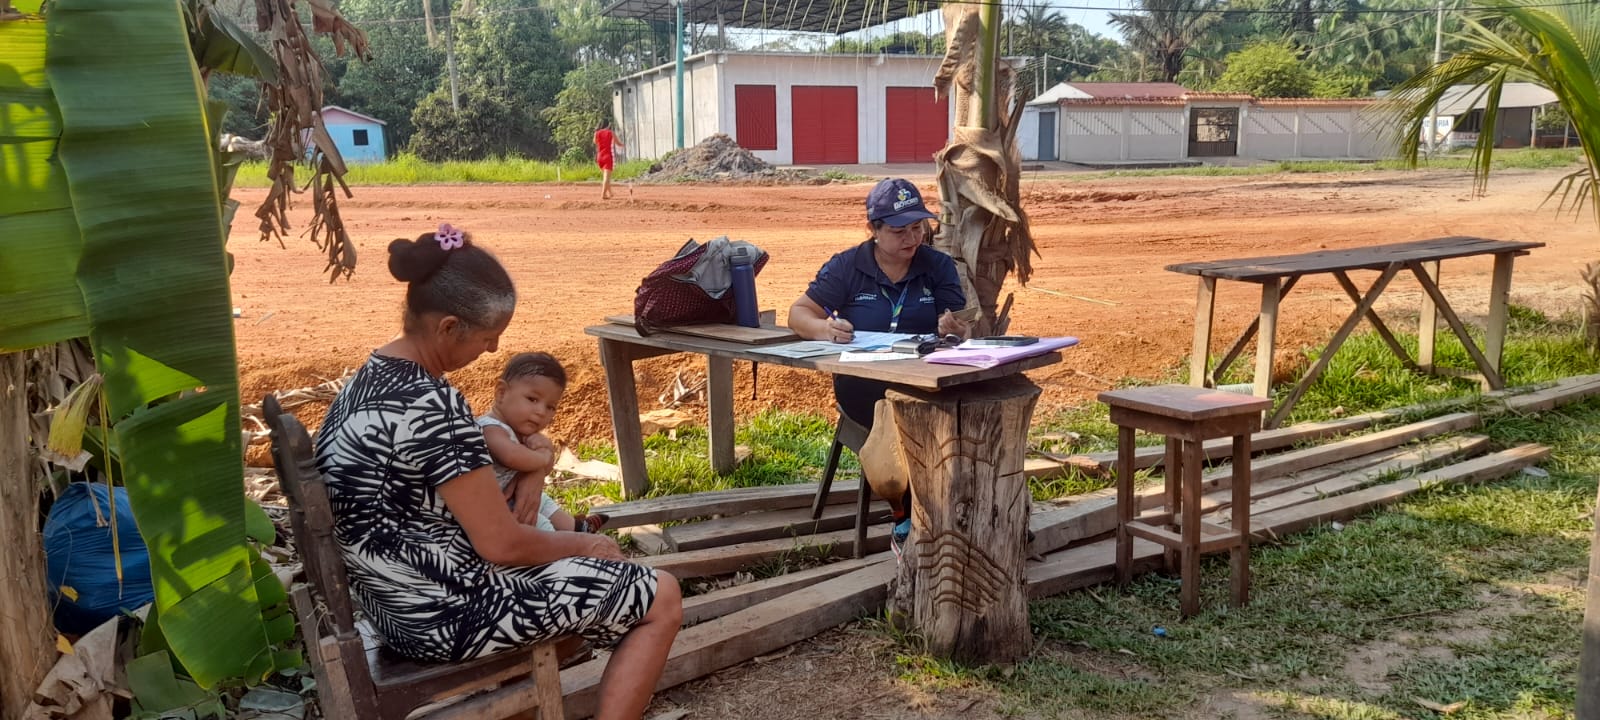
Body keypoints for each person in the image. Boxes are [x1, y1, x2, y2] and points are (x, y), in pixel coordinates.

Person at [314, 223, 679, 720]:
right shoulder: (433, 404)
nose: (489, 351)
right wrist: (587, 543)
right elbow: (501, 544)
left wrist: (535, 472)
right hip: (446, 615)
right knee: (661, 595)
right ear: (447, 328)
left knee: (586, 564)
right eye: (488, 337)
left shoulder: (368, 380)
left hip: (393, 607)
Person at [788, 178, 973, 553]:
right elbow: (798, 313)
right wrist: (824, 329)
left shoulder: (936, 266)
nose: (912, 238)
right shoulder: (847, 266)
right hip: (863, 382)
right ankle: (905, 515)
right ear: (873, 229)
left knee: (957, 413)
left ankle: (960, 511)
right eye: (899, 230)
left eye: (918, 227)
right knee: (896, 418)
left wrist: (955, 327)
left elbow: (963, 326)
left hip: (925, 376)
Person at [477, 351, 608, 533]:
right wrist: (543, 456)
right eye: (532, 399)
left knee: (542, 500)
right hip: (497, 508)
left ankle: (576, 527)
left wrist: (545, 454)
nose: (540, 411)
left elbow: (542, 471)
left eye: (550, 407)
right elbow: (512, 456)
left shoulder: (520, 431)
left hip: (511, 497)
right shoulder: (490, 428)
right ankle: (564, 547)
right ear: (501, 393)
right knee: (538, 522)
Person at [595, 118, 625, 200]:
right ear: (608, 125)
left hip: (600, 157)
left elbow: (595, 142)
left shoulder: (597, 133)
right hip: (608, 156)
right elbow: (618, 143)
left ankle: (610, 193)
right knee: (606, 178)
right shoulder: (611, 133)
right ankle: (603, 194)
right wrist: (623, 145)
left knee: (606, 177)